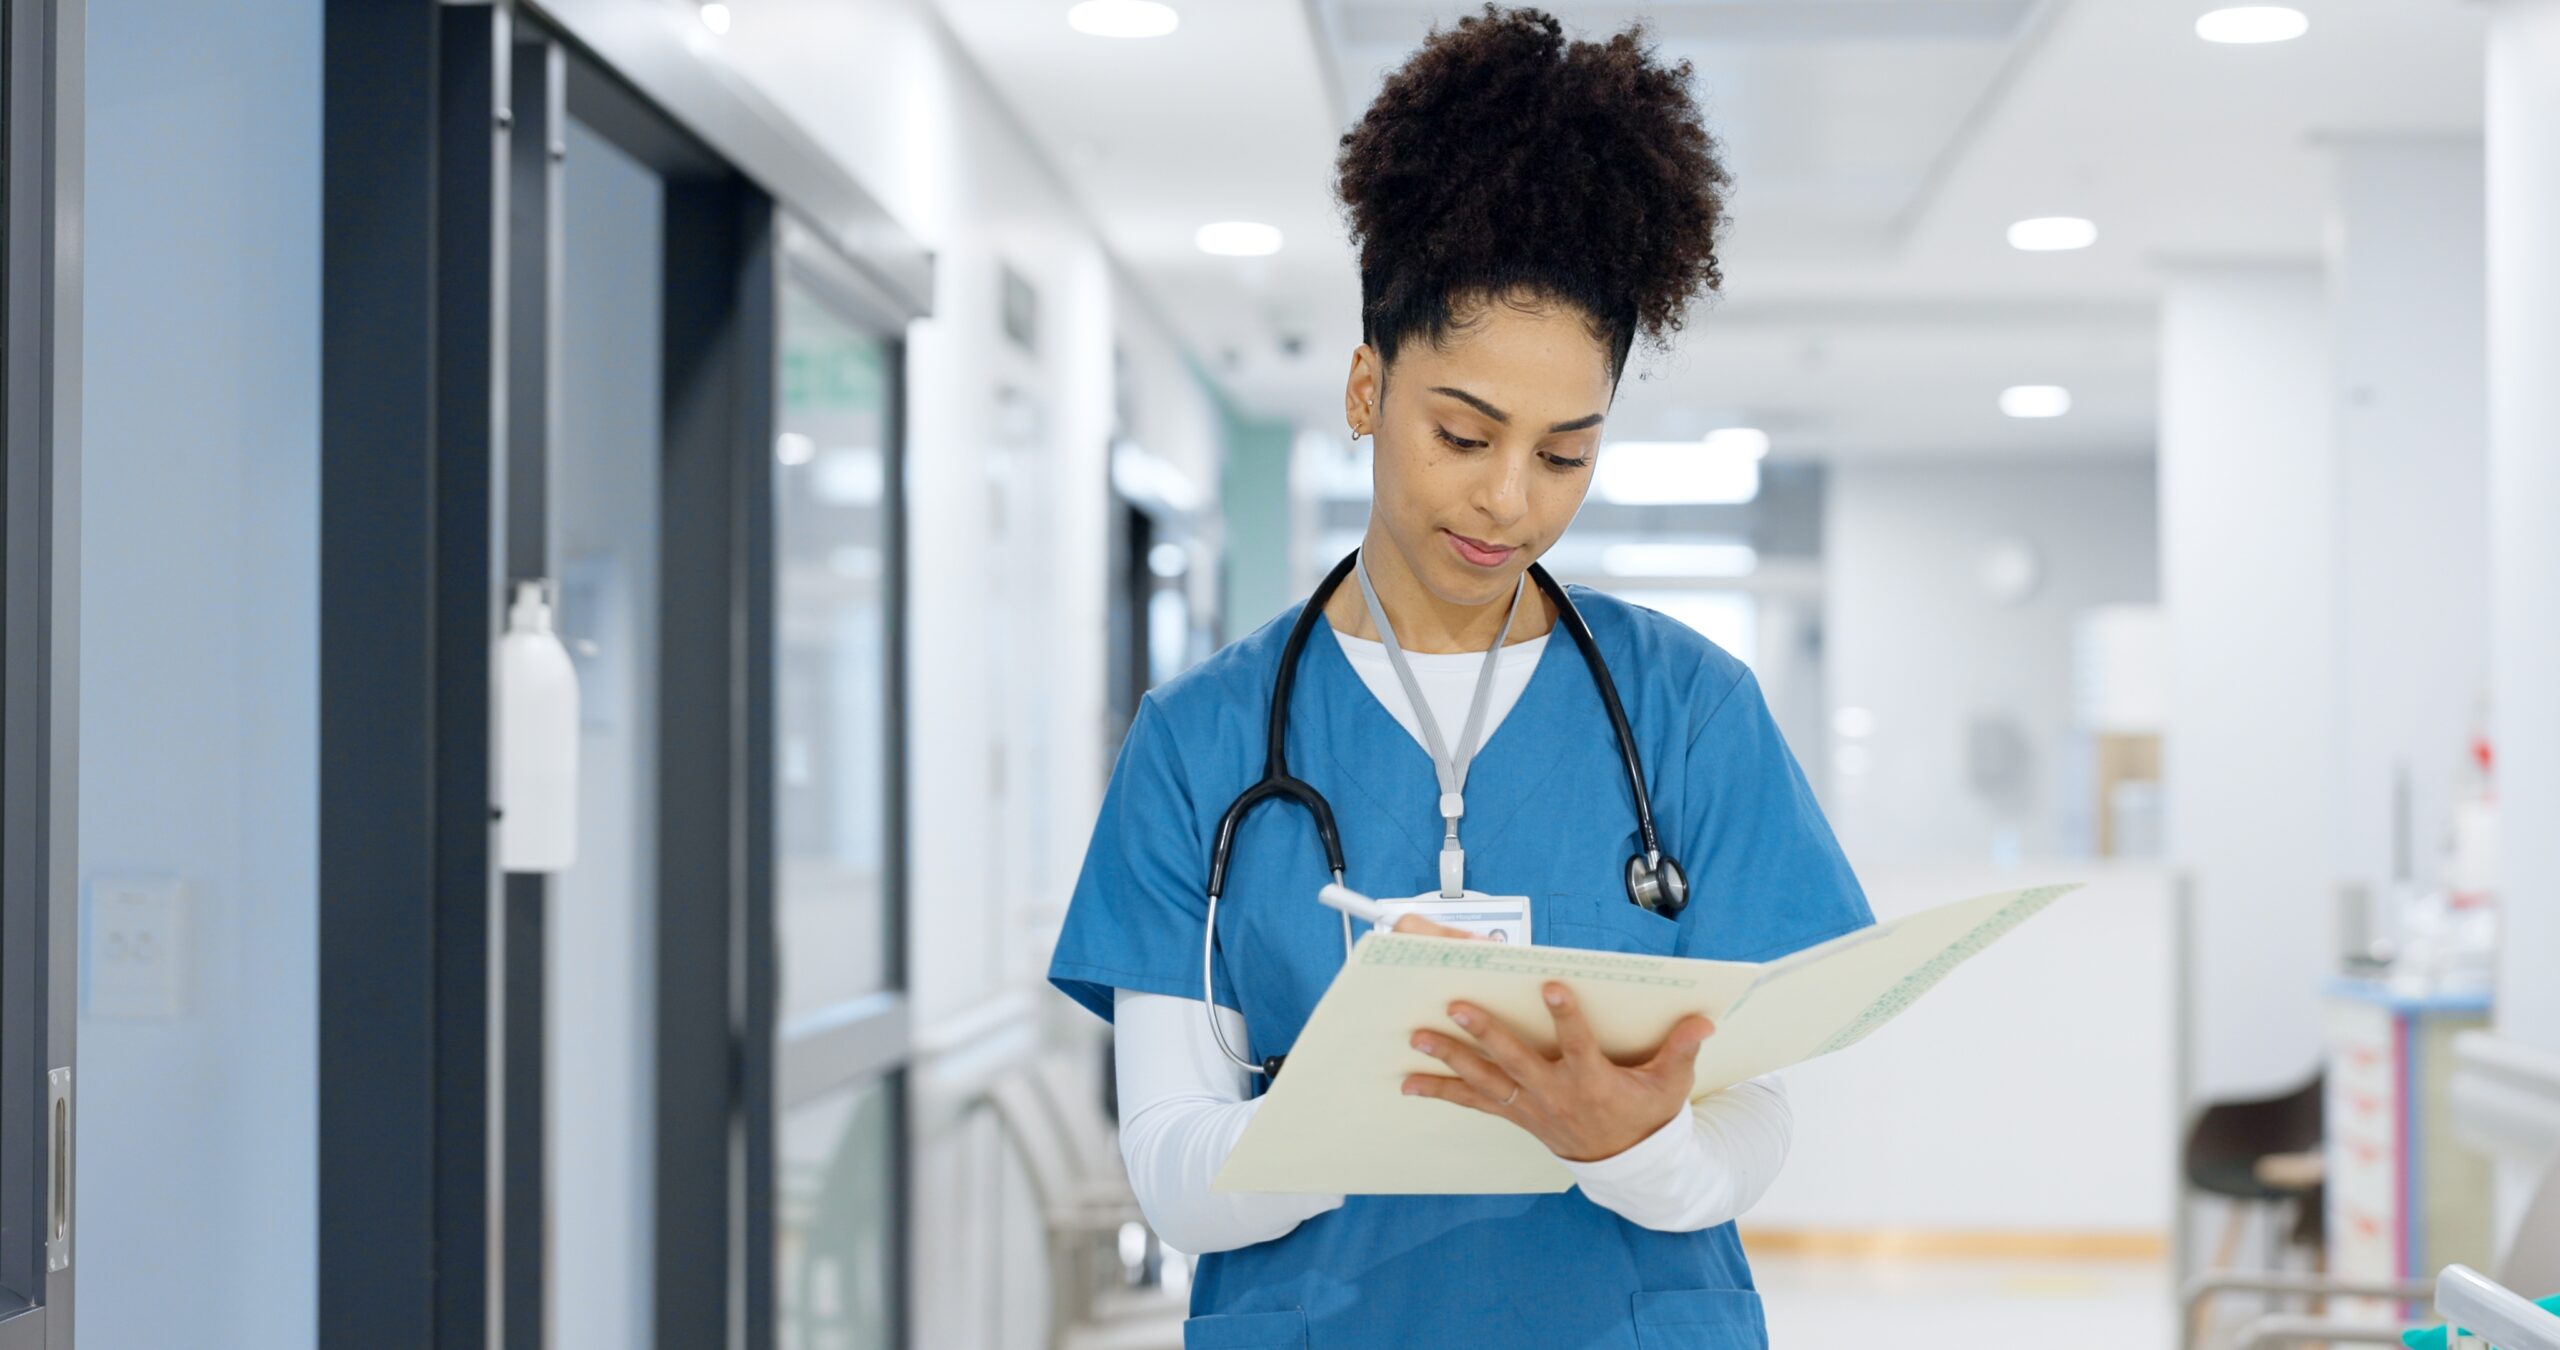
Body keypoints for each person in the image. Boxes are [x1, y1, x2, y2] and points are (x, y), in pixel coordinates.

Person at [1047, 7, 1871, 1346]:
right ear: (1369, 387)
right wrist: (1357, 1105)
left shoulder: (1690, 712)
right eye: (1464, 430)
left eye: (1565, 454)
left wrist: (1624, 1143)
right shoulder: (1201, 745)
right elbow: (1170, 1172)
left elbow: (1752, 1121)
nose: (1508, 499)